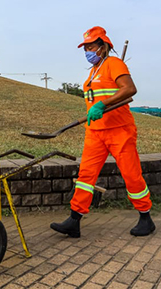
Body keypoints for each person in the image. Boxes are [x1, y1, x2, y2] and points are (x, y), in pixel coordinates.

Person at [51, 26, 155, 238]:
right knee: (85, 177)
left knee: (131, 175)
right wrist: (95, 108)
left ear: (103, 46)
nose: (88, 51)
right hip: (95, 132)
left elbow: (129, 89)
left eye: (91, 46)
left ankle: (146, 217)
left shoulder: (114, 64)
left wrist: (102, 105)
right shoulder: (93, 71)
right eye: (85, 47)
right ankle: (74, 219)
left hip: (119, 131)